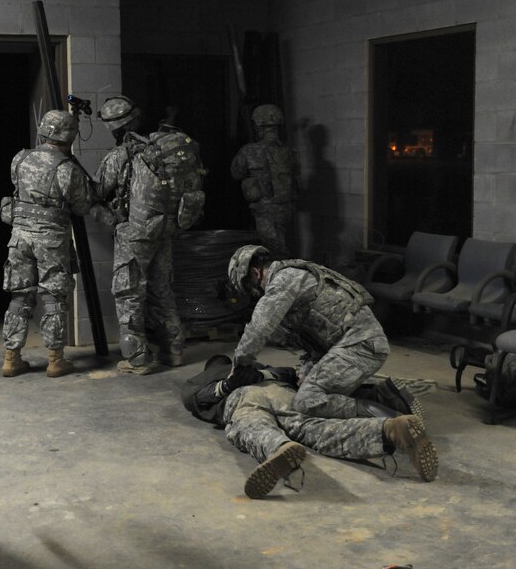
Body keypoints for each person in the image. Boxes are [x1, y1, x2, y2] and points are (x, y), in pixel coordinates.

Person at [182, 355, 439, 498]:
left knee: (252, 426)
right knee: (314, 429)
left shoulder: (205, 375)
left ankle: (279, 448)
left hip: (242, 399)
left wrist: (226, 386)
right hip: (281, 393)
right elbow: (291, 373)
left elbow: (193, 398)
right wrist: (264, 375)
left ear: (211, 365)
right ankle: (388, 430)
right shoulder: (258, 365)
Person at [227, 244, 423, 420]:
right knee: (308, 386)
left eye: (248, 287)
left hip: (361, 345)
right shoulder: (291, 279)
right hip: (350, 343)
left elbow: (259, 327)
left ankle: (384, 415)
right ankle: (384, 395)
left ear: (255, 273)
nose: (254, 294)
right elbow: (314, 342)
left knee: (307, 401)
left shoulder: (284, 280)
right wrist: (306, 371)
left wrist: (241, 364)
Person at [92, 96, 206, 374]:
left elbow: (97, 191)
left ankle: (137, 359)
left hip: (136, 233)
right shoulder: (165, 143)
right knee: (161, 288)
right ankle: (174, 351)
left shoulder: (122, 154)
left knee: (128, 291)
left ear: (113, 127)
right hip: (165, 229)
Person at [0, 109, 92, 378]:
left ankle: (11, 358)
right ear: (70, 137)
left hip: (19, 238)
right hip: (51, 241)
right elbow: (82, 206)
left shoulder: (21, 158)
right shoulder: (68, 169)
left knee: (20, 296)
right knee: (53, 298)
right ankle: (55, 359)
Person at [230, 104, 299, 259]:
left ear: (258, 125)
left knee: (274, 251)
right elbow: (296, 174)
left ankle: (282, 279)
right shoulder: (289, 151)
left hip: (264, 209)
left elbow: (236, 172)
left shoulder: (249, 150)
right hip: (286, 208)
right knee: (281, 244)